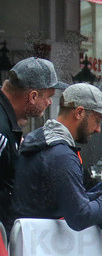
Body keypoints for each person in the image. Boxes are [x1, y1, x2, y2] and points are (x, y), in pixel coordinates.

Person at [9, 83, 102, 234]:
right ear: (79, 112)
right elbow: (81, 216)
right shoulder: (62, 155)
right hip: (35, 248)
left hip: (27, 241)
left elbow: (69, 201)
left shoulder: (44, 141)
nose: (98, 129)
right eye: (97, 120)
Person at [1, 58, 66, 228]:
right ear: (33, 96)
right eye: (49, 96)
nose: (50, 102)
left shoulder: (6, 124)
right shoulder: (2, 130)